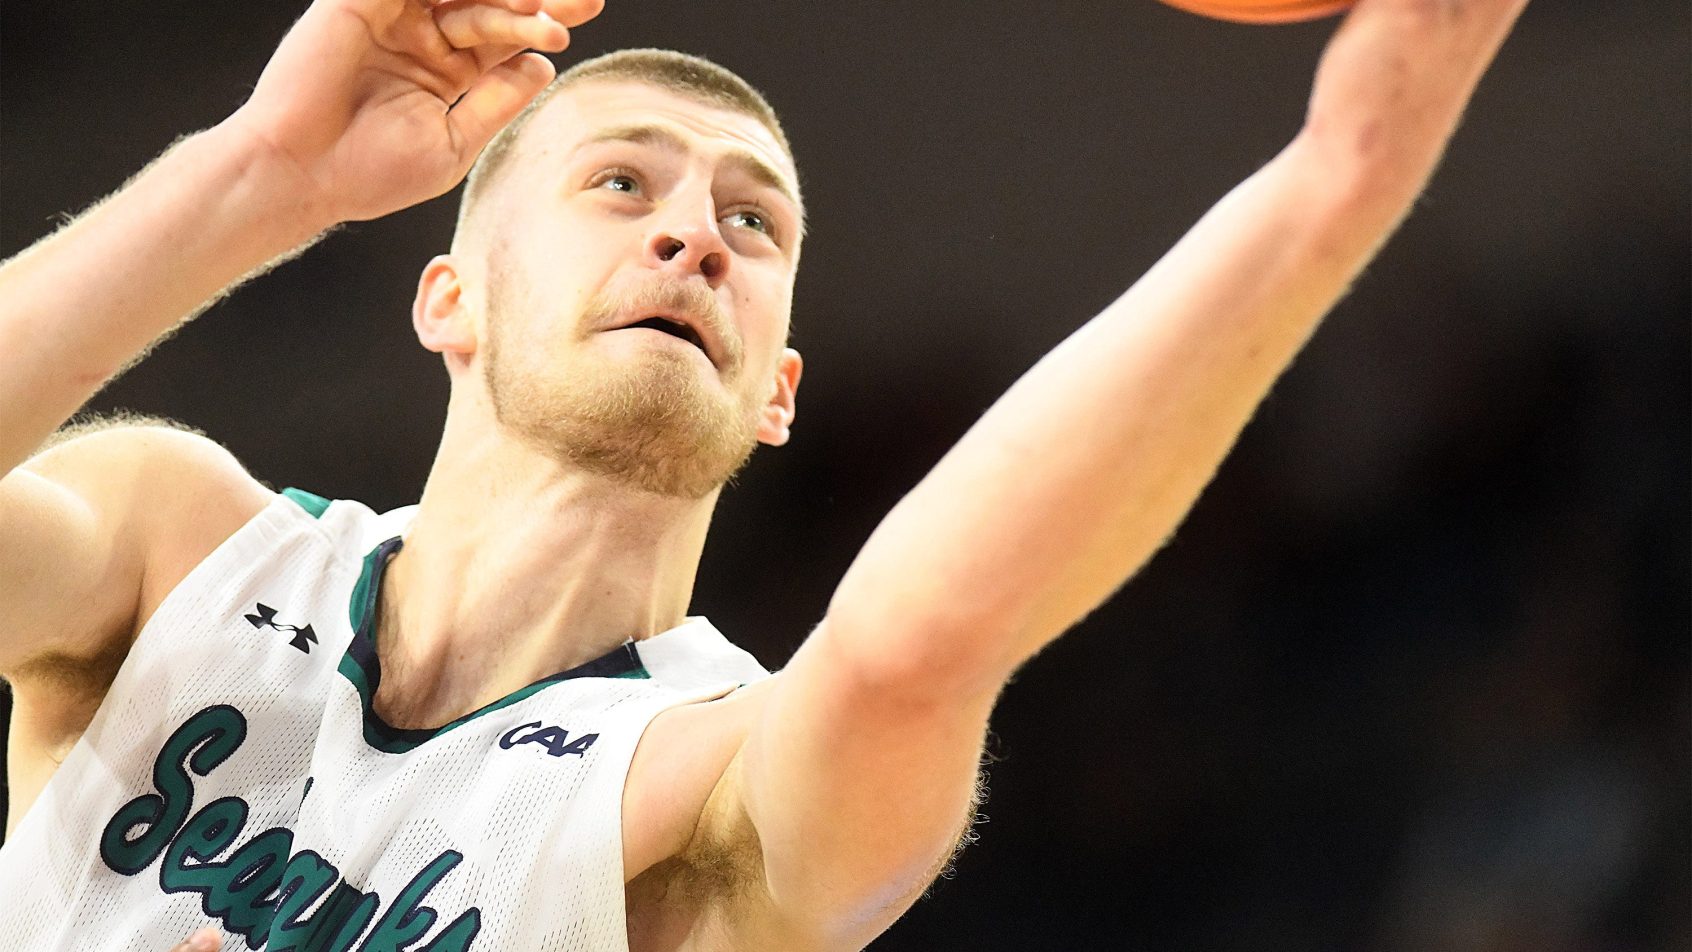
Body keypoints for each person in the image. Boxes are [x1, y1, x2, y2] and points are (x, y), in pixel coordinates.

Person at [0, 0, 1534, 948]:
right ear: (448, 300)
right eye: (622, 183)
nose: (692, 235)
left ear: (778, 392)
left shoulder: (707, 786)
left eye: (757, 224)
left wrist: (1335, 189)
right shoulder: (175, 544)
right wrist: (262, 173)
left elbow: (915, 645)